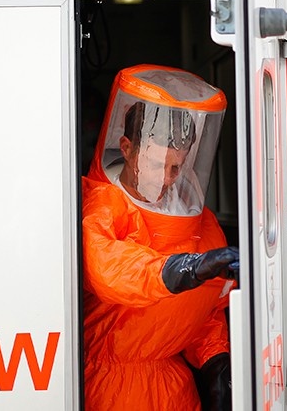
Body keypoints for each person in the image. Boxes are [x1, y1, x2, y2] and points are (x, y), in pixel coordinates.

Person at [82, 64, 239, 411]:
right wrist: (182, 269)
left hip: (173, 383)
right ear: (126, 148)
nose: (167, 179)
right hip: (111, 386)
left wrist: (215, 360)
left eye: (176, 167)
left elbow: (203, 310)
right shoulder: (102, 202)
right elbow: (108, 268)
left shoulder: (196, 217)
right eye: (156, 166)